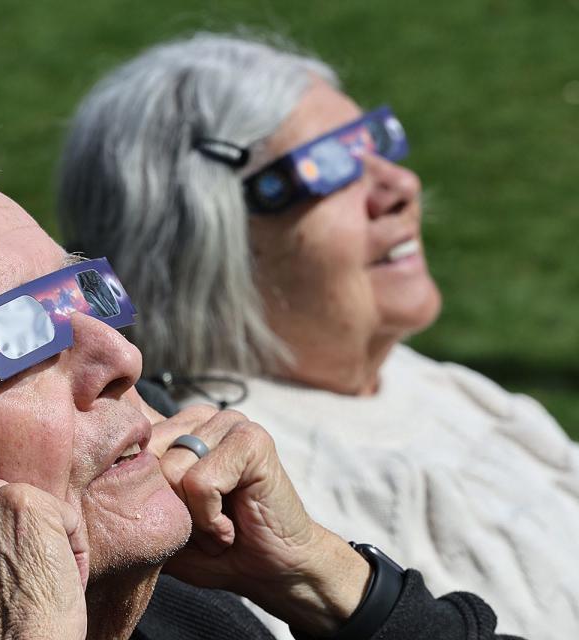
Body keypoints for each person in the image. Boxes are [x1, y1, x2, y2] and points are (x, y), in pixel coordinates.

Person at [0, 137, 524, 639]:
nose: (121, 354)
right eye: (11, 338)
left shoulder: (161, 590)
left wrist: (331, 587)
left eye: (81, 293)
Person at [56, 32, 579, 640]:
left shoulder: (440, 388)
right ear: (202, 238)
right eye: (331, 167)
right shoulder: (241, 484)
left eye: (376, 142)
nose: (400, 188)